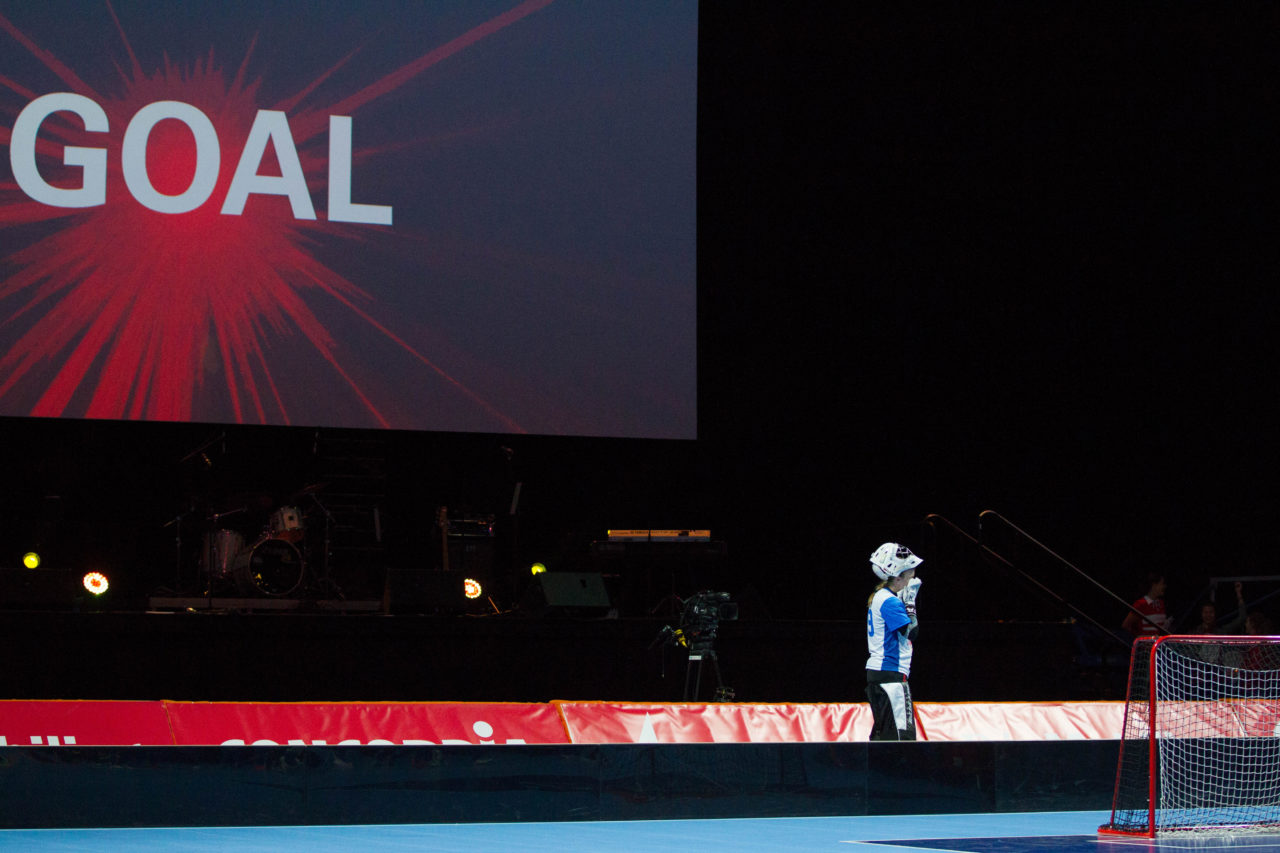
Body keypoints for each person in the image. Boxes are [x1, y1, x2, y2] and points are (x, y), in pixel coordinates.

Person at [865, 542, 922, 741]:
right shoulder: (889, 601)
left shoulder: (882, 597)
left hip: (882, 674)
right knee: (901, 739)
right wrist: (910, 603)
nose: (912, 577)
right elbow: (911, 632)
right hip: (890, 674)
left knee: (884, 737)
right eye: (909, 574)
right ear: (897, 577)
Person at [1122, 573, 1168, 638]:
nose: (1164, 586)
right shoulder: (1141, 604)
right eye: (1162, 584)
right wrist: (1141, 637)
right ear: (1154, 585)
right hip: (1146, 642)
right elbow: (1126, 625)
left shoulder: (1160, 603)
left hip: (1158, 642)